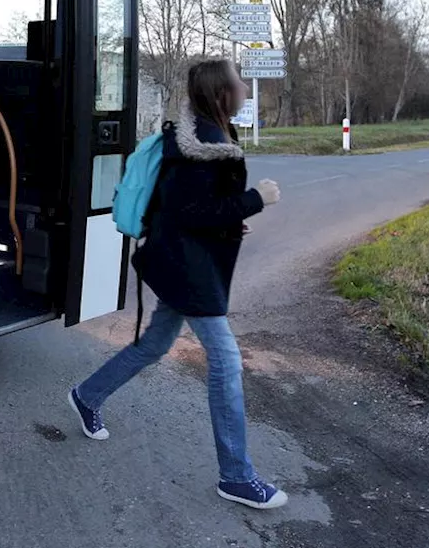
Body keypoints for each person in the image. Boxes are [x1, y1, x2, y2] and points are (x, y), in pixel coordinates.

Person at [67, 58, 287, 510]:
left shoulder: (210, 135)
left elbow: (196, 208)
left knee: (153, 346)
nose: (245, 86)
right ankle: (236, 476)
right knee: (226, 361)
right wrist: (255, 200)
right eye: (238, 82)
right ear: (222, 94)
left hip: (182, 260)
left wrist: (232, 220)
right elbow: (193, 212)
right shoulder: (202, 144)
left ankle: (86, 395)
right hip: (189, 269)